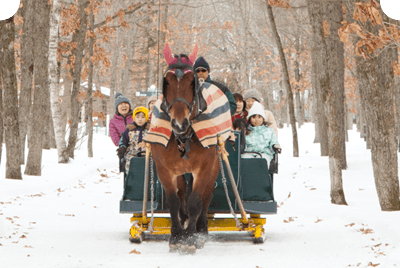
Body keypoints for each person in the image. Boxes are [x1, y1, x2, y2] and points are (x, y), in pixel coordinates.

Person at [117, 106, 149, 172]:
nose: (140, 119)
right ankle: (131, 178)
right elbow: (123, 141)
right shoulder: (129, 130)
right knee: (131, 162)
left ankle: (149, 180)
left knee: (151, 164)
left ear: (146, 118)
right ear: (134, 118)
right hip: (132, 154)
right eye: (137, 117)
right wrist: (122, 147)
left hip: (147, 154)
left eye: (143, 117)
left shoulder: (150, 130)